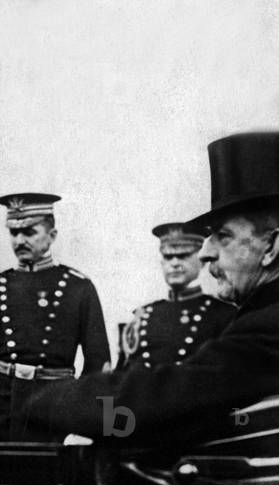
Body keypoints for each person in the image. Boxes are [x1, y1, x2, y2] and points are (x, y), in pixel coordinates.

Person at [22, 131, 279, 445]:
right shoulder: (261, 316)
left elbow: (170, 403)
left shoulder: (268, 325)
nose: (205, 252)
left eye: (223, 236)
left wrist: (54, 403)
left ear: (271, 247)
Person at [0, 192, 110, 443]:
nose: (20, 240)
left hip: (54, 408)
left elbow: (99, 363)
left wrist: (84, 424)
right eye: (14, 233)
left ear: (52, 235)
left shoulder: (78, 287)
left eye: (29, 232)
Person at [117, 222, 234, 370]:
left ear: (202, 261)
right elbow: (121, 375)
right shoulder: (142, 316)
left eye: (183, 256)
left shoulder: (223, 315)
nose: (174, 263)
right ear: (161, 262)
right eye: (168, 257)